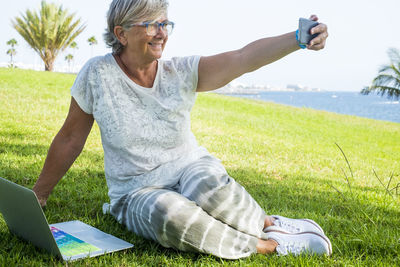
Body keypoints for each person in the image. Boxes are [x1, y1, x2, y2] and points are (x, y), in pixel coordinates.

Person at [33, 0, 330, 259]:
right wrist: (40, 193)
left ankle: (267, 222)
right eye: (150, 24)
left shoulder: (181, 71)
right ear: (120, 33)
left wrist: (297, 39)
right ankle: (270, 245)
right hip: (136, 191)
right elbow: (71, 137)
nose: (161, 33)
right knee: (170, 215)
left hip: (190, 167)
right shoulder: (97, 74)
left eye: (164, 23)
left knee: (209, 188)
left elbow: (243, 58)